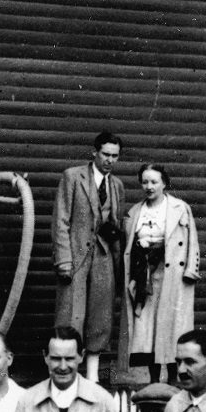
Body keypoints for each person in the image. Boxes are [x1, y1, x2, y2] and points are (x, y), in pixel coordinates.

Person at [54, 131, 126, 384]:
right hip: (76, 257)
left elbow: (117, 226)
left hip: (104, 257)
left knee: (100, 316)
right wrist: (64, 259)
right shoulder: (72, 177)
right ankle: (67, 375)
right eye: (105, 154)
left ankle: (93, 378)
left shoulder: (116, 185)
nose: (109, 160)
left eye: (115, 156)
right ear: (94, 152)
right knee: (71, 315)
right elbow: (61, 221)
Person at [124, 163, 200, 384]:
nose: (149, 186)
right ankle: (154, 380)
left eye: (154, 182)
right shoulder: (135, 211)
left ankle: (175, 380)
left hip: (173, 276)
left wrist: (191, 270)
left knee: (173, 327)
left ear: (164, 183)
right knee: (150, 329)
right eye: (145, 182)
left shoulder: (179, 208)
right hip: (145, 275)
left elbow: (192, 241)